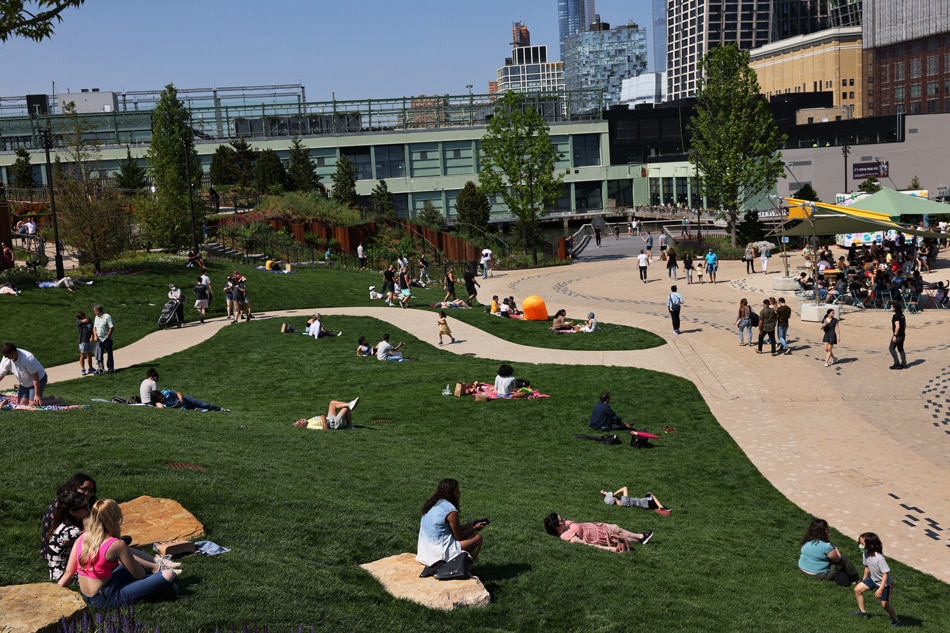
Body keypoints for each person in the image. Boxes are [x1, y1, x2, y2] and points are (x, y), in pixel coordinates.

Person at [57, 499, 178, 608]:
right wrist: (135, 563)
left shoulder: (82, 537)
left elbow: (69, 571)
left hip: (87, 596)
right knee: (169, 574)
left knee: (125, 570)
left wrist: (56, 592)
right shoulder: (116, 544)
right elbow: (139, 575)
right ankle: (160, 585)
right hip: (106, 598)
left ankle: (156, 584)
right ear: (116, 519)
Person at [416, 478, 486, 566]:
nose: (459, 494)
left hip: (424, 553)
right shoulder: (451, 511)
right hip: (437, 556)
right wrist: (474, 528)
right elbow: (459, 537)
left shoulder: (432, 504)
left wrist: (468, 526)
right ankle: (463, 569)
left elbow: (445, 528)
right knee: (477, 538)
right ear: (450, 494)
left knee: (468, 535)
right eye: (457, 491)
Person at [40, 474, 97, 558]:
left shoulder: (64, 502)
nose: (87, 493)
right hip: (60, 553)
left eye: (90, 491)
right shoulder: (63, 508)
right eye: (84, 489)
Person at [851, 532, 901, 626]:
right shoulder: (865, 553)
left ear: (871, 546)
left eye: (862, 544)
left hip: (884, 584)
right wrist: (864, 579)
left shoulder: (879, 558)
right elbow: (867, 567)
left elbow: (885, 574)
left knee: (884, 605)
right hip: (872, 579)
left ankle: (896, 620)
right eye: (860, 543)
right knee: (858, 589)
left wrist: (880, 589)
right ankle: (863, 612)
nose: (860, 546)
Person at [43, 490, 90, 582]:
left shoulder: (64, 524)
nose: (88, 509)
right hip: (65, 576)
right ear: (73, 512)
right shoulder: (73, 532)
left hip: (57, 573)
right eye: (85, 507)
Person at [543, 513, 653, 552]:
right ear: (556, 527)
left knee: (616, 527)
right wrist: (610, 549)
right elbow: (586, 545)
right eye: (562, 520)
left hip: (596, 526)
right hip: (598, 536)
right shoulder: (566, 536)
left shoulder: (564, 526)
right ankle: (641, 537)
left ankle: (641, 538)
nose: (565, 520)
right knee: (619, 536)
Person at [798, 518, 859, 585]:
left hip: (802, 569)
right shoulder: (826, 546)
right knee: (844, 559)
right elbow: (838, 559)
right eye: (827, 528)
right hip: (818, 574)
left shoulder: (807, 540)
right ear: (824, 531)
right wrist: (835, 547)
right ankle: (855, 579)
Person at [294, 397, 359, 430]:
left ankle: (350, 404)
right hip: (333, 423)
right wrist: (323, 419)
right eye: (299, 423)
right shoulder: (310, 426)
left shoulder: (308, 420)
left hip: (329, 418)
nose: (300, 420)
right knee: (346, 409)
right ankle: (350, 426)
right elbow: (325, 429)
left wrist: (324, 418)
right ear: (301, 427)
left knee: (332, 403)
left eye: (299, 420)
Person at [600, 487, 672, 517]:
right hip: (647, 502)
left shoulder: (621, 504)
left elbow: (614, 499)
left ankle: (657, 508)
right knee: (650, 494)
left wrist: (605, 493)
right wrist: (613, 494)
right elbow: (625, 488)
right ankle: (661, 507)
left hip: (646, 505)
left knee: (647, 495)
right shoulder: (624, 501)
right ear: (614, 499)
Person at [150, 389, 229, 411]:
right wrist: (158, 404)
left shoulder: (166, 392)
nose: (162, 398)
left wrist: (180, 399)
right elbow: (161, 409)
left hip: (186, 400)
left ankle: (220, 409)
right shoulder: (160, 404)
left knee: (204, 404)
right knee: (202, 410)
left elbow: (178, 393)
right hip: (183, 408)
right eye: (160, 399)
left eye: (162, 396)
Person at [92, 305, 115, 374]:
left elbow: (111, 327)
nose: (94, 312)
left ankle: (110, 368)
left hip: (107, 339)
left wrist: (108, 336)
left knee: (109, 354)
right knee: (99, 354)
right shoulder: (96, 317)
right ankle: (100, 368)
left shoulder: (107, 317)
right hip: (99, 339)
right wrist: (95, 336)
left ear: (98, 311)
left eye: (94, 311)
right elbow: (94, 327)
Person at [76, 311, 95, 376]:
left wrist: (92, 336)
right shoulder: (78, 321)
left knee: (89, 355)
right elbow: (85, 320)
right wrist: (86, 319)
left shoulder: (89, 321)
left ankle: (90, 368)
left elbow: (92, 329)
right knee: (82, 355)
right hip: (82, 341)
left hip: (89, 340)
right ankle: (83, 369)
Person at [889, 303, 907, 370]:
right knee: (901, 348)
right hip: (902, 335)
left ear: (895, 308)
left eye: (892, 307)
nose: (892, 308)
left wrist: (895, 335)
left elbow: (897, 326)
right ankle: (904, 363)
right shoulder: (902, 315)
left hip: (898, 336)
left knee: (891, 348)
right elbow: (905, 325)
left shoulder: (895, 316)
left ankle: (897, 363)